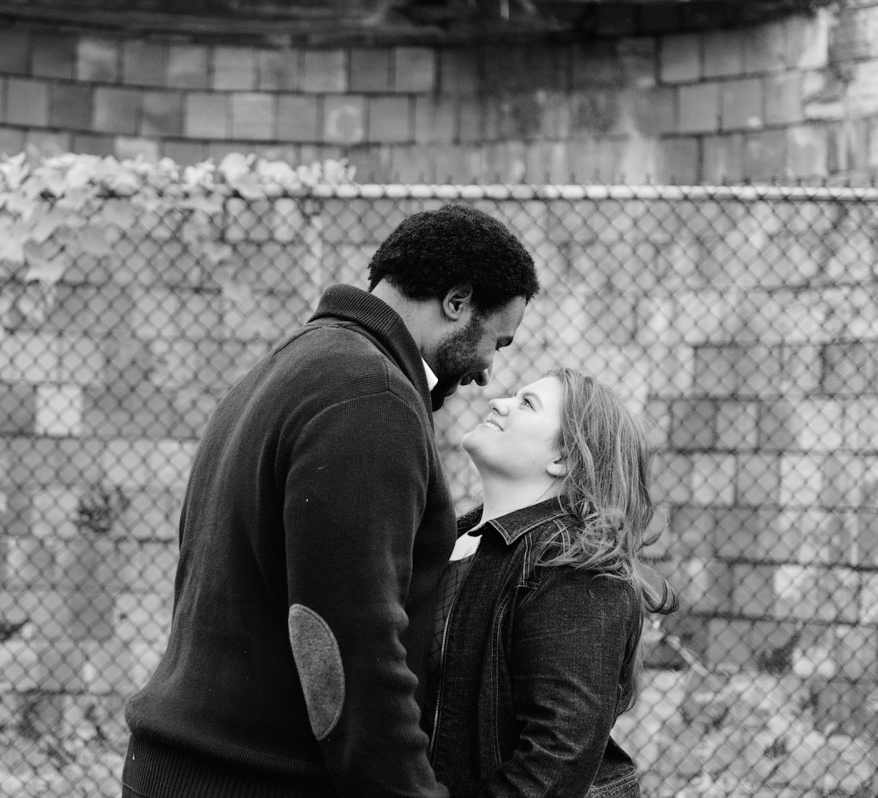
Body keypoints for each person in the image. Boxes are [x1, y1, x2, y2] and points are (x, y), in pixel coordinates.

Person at [122, 204, 540, 798]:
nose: (487, 373)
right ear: (456, 302)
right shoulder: (369, 396)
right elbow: (351, 649)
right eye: (496, 341)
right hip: (254, 778)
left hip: (185, 765)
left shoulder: (292, 365)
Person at [426, 368, 678, 798]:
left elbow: (559, 754)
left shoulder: (574, 563)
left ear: (563, 458)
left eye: (526, 404)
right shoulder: (449, 542)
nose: (497, 402)